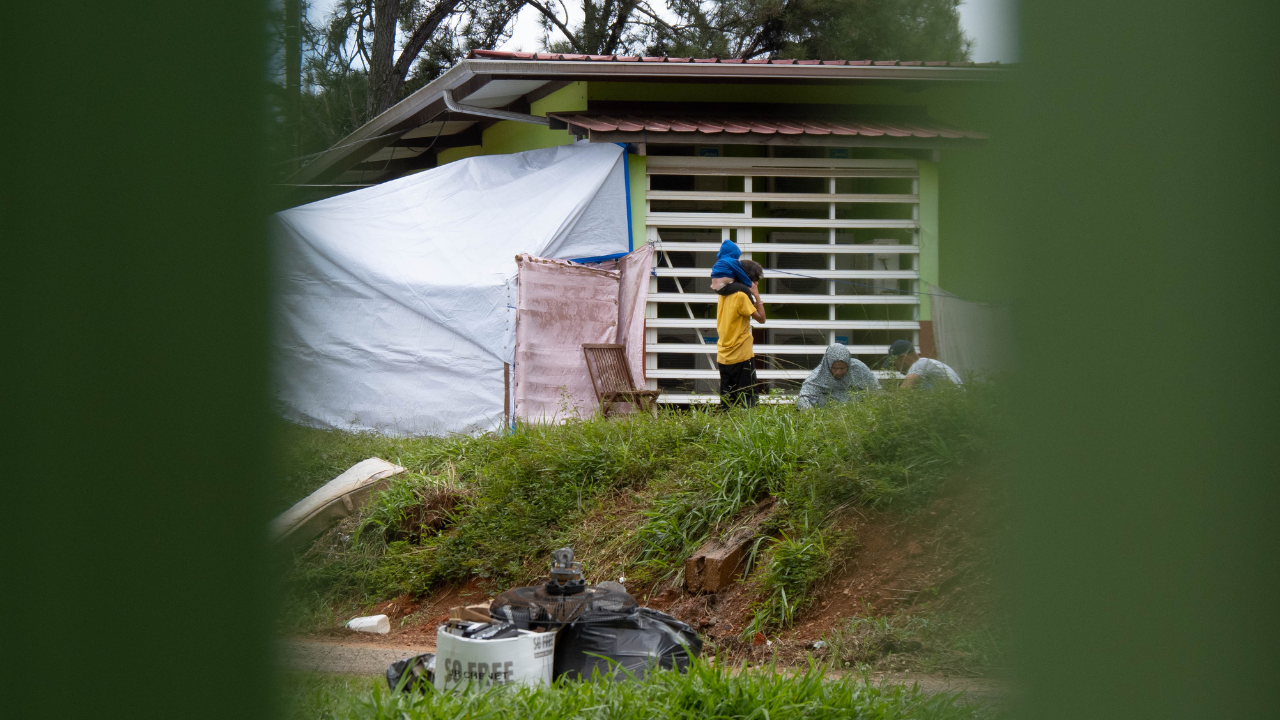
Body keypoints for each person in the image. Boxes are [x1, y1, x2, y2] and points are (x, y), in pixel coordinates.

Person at [716, 259, 766, 407]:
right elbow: (761, 318)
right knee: (748, 401)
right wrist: (757, 296)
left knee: (728, 401)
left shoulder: (723, 293)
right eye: (754, 281)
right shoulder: (741, 296)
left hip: (724, 355)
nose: (756, 284)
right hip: (741, 354)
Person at [794, 344, 880, 409]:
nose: (838, 372)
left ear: (848, 365)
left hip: (857, 411)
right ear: (828, 365)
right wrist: (811, 415)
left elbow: (876, 390)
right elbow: (803, 397)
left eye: (842, 368)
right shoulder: (818, 374)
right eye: (835, 368)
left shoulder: (859, 368)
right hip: (828, 413)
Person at [886, 339, 962, 389]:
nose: (895, 369)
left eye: (894, 364)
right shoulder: (926, 363)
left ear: (904, 358)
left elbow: (903, 392)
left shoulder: (919, 365)